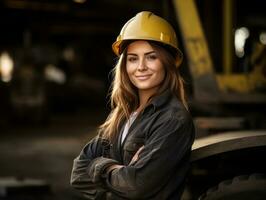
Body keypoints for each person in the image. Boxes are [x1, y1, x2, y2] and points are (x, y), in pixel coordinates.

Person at [70, 11, 195, 200]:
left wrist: (99, 166)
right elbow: (78, 173)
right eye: (133, 58)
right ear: (124, 66)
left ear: (167, 63)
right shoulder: (122, 115)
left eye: (151, 57)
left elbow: (136, 186)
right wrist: (117, 171)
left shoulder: (173, 119)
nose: (141, 66)